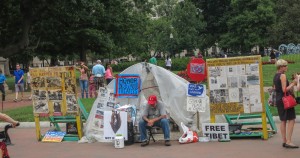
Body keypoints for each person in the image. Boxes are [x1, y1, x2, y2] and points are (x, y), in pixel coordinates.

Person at [273, 59, 298, 148]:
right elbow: (284, 89)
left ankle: (284, 141)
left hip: (279, 99)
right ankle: (289, 141)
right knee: (291, 119)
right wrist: (293, 83)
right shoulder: (282, 75)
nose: (286, 67)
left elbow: (276, 88)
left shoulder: (275, 75)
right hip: (285, 100)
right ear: (281, 67)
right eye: (285, 66)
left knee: (283, 120)